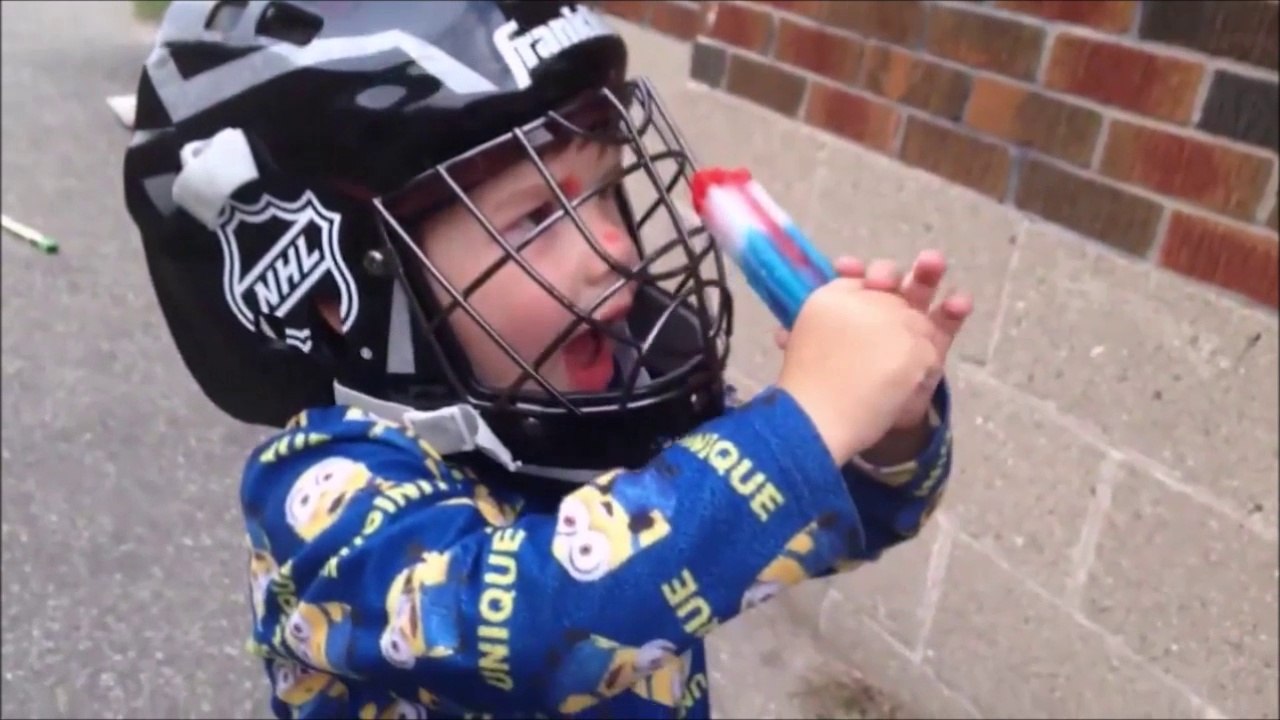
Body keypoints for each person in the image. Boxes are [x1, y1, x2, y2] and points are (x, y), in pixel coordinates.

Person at [122, 2, 972, 718]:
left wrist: (884, 428)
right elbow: (541, 625)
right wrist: (806, 417)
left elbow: (829, 514)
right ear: (342, 287)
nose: (613, 246)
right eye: (534, 219)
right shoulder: (325, 499)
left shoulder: (604, 410)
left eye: (607, 190)